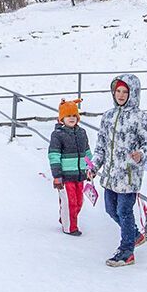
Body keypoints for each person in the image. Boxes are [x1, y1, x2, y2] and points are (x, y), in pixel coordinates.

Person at [91, 73, 147, 267]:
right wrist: (94, 166)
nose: (120, 95)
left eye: (125, 91)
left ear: (133, 93)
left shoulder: (140, 117)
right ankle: (135, 235)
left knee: (124, 211)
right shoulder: (108, 116)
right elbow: (101, 146)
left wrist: (141, 153)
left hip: (128, 176)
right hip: (110, 176)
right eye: (117, 91)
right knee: (111, 210)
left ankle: (127, 251)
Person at [47, 99, 93, 235]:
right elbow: (54, 155)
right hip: (65, 176)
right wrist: (57, 176)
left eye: (74, 115)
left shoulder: (81, 133)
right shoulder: (58, 135)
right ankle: (70, 228)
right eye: (68, 116)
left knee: (79, 201)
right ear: (62, 118)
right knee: (70, 202)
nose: (71, 118)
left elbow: (87, 152)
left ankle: (65, 217)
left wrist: (91, 167)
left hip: (80, 175)